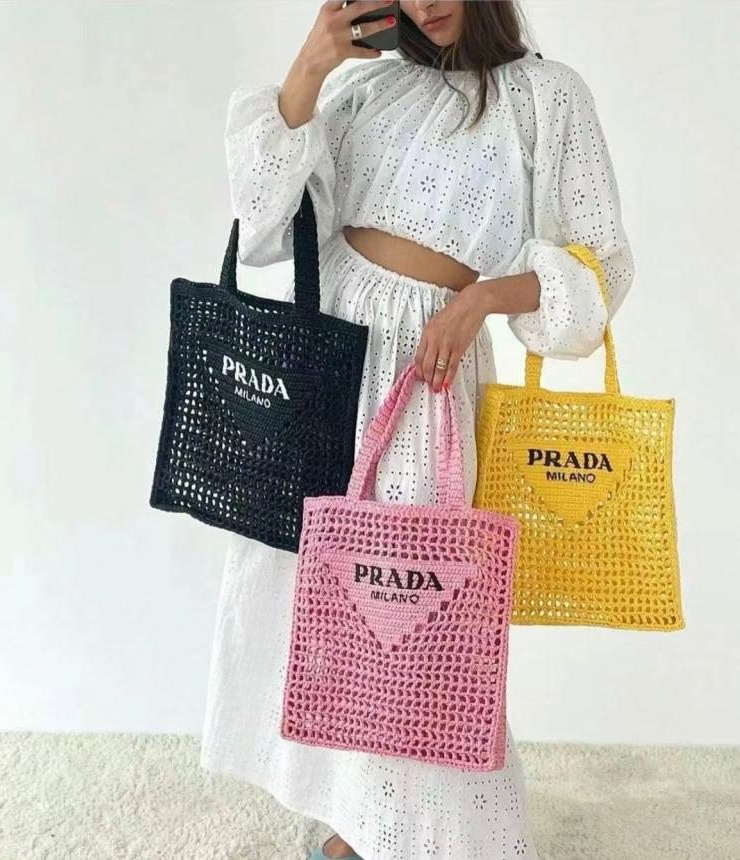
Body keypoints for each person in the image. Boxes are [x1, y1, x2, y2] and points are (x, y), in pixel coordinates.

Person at [200, 2, 634, 858]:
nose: (428, 3)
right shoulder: (367, 90)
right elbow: (262, 225)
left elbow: (601, 266)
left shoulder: (546, 96)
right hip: (329, 359)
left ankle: (431, 838)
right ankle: (359, 824)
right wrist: (310, 67)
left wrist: (483, 298)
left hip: (428, 371)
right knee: (320, 601)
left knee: (416, 613)